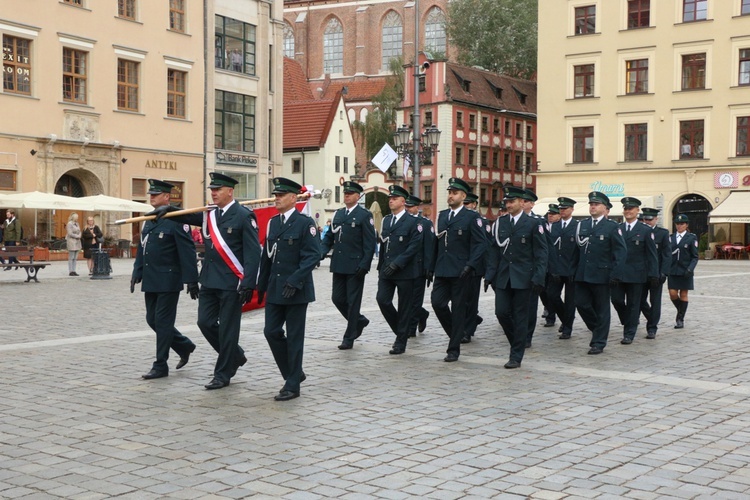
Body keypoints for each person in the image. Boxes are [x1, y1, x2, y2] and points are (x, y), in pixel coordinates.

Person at [154, 172, 261, 390]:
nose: (213, 193)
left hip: (233, 282)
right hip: (210, 279)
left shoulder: (243, 216)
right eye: (211, 190)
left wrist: (249, 283)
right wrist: (169, 210)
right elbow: (186, 216)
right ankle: (236, 355)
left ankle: (222, 374)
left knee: (228, 330)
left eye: (217, 190)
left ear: (230, 192)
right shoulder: (209, 214)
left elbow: (252, 254)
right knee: (205, 322)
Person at [257, 177, 320, 401]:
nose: (277, 199)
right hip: (276, 288)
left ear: (293, 198)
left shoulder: (305, 223)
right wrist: (261, 286)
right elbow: (267, 257)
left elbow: (313, 255)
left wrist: (295, 281)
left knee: (294, 337)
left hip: (296, 289)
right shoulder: (273, 222)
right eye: (275, 195)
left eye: (281, 195)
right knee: (271, 332)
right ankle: (293, 373)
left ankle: (292, 385)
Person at [131, 179, 199, 380]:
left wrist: (192, 280)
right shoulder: (150, 217)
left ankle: (160, 365)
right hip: (151, 278)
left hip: (169, 278)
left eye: (156, 194)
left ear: (167, 197)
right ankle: (184, 345)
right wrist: (137, 270)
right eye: (150, 194)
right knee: (152, 319)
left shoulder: (177, 218)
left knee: (162, 321)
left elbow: (187, 250)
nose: (151, 197)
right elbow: (144, 247)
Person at [485, 186, 548, 369]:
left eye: (512, 201)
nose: (509, 205)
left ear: (522, 202)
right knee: (501, 312)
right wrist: (489, 275)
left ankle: (516, 355)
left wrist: (538, 277)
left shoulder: (534, 224)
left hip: (524, 277)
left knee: (521, 317)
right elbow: (494, 251)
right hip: (504, 276)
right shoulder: (500, 223)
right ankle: (517, 341)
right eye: (507, 202)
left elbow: (541, 253)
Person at [431, 177, 487, 362]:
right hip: (442, 269)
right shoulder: (442, 215)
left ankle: (453, 349)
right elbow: (438, 243)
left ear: (463, 196)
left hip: (461, 271)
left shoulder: (472, 217)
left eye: (454, 193)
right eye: (449, 193)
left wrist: (470, 265)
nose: (450, 196)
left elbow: (480, 244)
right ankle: (457, 331)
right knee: (437, 303)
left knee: (458, 309)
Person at [320, 181, 376, 350]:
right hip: (339, 263)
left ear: (358, 197)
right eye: (345, 193)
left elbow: (369, 242)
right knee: (337, 298)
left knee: (353, 302)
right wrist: (320, 253)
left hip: (355, 265)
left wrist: (365, 264)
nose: (347, 195)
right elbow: (329, 237)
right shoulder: (338, 214)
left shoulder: (364, 215)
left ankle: (349, 336)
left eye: (350, 193)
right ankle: (359, 321)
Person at [572, 191, 627, 355]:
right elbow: (576, 251)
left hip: (602, 275)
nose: (593, 206)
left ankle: (599, 342)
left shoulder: (612, 227)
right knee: (580, 303)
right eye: (591, 204)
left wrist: (616, 274)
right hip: (582, 273)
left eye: (596, 204)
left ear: (606, 208)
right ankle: (598, 328)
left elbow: (620, 252)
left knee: (602, 309)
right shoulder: (582, 225)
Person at [376, 185, 423, 355]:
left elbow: (413, 247)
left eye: (394, 198)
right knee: (382, 300)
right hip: (387, 270)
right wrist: (381, 265)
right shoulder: (387, 220)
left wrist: (397, 263)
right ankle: (400, 330)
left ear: (403, 202)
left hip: (404, 271)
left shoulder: (413, 222)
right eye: (390, 198)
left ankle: (400, 341)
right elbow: (383, 245)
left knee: (404, 307)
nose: (391, 200)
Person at [610, 197, 659, 345]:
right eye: (625, 208)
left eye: (631, 208)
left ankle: (629, 333)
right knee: (617, 300)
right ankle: (629, 321)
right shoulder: (617, 229)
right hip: (618, 273)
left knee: (633, 304)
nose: (628, 211)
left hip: (637, 274)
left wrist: (654, 274)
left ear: (638, 210)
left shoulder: (645, 230)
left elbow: (652, 255)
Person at [547, 197, 579, 339]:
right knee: (551, 296)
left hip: (571, 269)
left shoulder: (577, 226)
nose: (562, 210)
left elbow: (579, 250)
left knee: (571, 300)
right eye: (561, 208)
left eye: (565, 208)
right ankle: (565, 319)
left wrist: (576, 269)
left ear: (572, 209)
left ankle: (567, 328)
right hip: (556, 269)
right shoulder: (553, 226)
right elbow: (549, 249)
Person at [460, 192, 490, 343]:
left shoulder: (482, 222)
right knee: (459, 300)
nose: (465, 206)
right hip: (459, 266)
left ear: (474, 205)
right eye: (463, 204)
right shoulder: (458, 220)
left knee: (471, 301)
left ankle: (468, 330)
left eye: (468, 204)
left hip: (475, 267)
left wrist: (487, 269)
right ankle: (472, 320)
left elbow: (487, 246)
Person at [405, 195, 435, 338]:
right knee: (406, 299)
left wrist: (429, 267)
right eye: (407, 206)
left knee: (416, 299)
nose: (408, 209)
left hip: (419, 266)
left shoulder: (425, 223)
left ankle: (411, 328)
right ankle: (422, 314)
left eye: (411, 207)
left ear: (418, 207)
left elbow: (430, 246)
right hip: (404, 267)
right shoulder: (402, 221)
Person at [640, 207, 672, 339]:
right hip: (641, 273)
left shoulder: (663, 233)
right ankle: (651, 317)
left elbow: (667, 254)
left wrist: (664, 272)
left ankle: (652, 328)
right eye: (645, 219)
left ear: (656, 219)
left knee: (655, 301)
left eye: (650, 219)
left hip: (656, 274)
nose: (647, 222)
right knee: (640, 301)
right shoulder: (639, 232)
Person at [668, 214, 698, 329]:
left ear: (686, 225)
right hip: (673, 270)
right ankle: (681, 310)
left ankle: (680, 318)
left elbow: (695, 256)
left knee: (683, 294)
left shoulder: (691, 238)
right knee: (672, 293)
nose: (679, 226)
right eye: (678, 224)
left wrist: (690, 269)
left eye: (682, 224)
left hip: (685, 270)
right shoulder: (671, 237)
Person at [66, 212, 82, 276]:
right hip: (72, 242)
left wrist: (80, 235)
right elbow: (70, 233)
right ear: (73, 217)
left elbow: (79, 231)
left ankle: (74, 270)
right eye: (76, 217)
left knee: (75, 257)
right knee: (71, 257)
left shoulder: (77, 224)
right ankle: (70, 271)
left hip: (77, 242)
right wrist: (77, 236)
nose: (77, 218)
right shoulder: (69, 224)